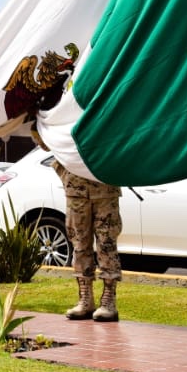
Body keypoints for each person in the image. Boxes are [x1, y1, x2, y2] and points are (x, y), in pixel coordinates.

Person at [35, 129, 123, 321]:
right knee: (79, 244)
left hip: (105, 186)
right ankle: (85, 298)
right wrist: (36, 125)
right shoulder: (65, 116)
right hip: (76, 189)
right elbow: (47, 143)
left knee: (107, 243)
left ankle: (109, 301)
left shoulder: (101, 110)